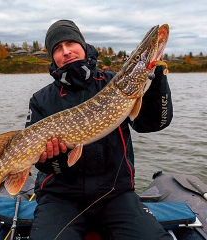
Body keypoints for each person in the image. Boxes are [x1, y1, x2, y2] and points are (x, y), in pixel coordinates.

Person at [26, 20, 173, 240]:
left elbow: (152, 123)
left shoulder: (114, 83)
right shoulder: (41, 100)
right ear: (53, 57)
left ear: (83, 46)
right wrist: (56, 157)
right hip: (60, 198)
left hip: (116, 196)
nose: (66, 51)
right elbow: (44, 165)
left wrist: (156, 81)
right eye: (57, 48)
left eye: (70, 43)